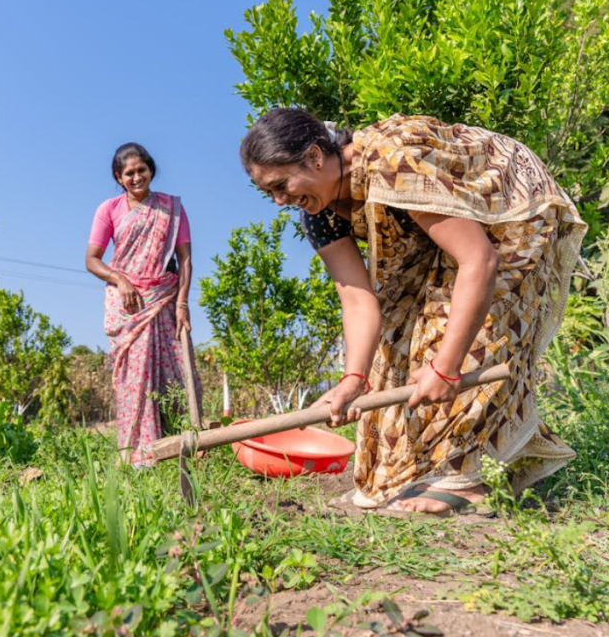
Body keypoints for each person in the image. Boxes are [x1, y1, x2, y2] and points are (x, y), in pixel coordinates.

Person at [241, 109, 587, 515]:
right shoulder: (319, 216)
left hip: (507, 206)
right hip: (441, 233)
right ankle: (426, 473)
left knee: (466, 327)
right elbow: (358, 299)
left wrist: (447, 367)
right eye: (270, 193)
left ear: (316, 157)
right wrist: (354, 379)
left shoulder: (392, 162)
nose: (280, 200)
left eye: (281, 185)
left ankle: (467, 478)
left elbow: (478, 260)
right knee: (394, 347)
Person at [85, 143, 201, 466]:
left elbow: (185, 259)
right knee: (134, 381)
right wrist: (121, 280)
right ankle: (139, 456)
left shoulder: (171, 208)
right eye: (129, 173)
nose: (137, 177)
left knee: (177, 372)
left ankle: (185, 446)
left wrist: (182, 303)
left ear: (151, 170)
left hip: (164, 299)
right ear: (118, 178)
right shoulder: (108, 210)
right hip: (129, 307)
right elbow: (91, 260)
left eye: (142, 170)